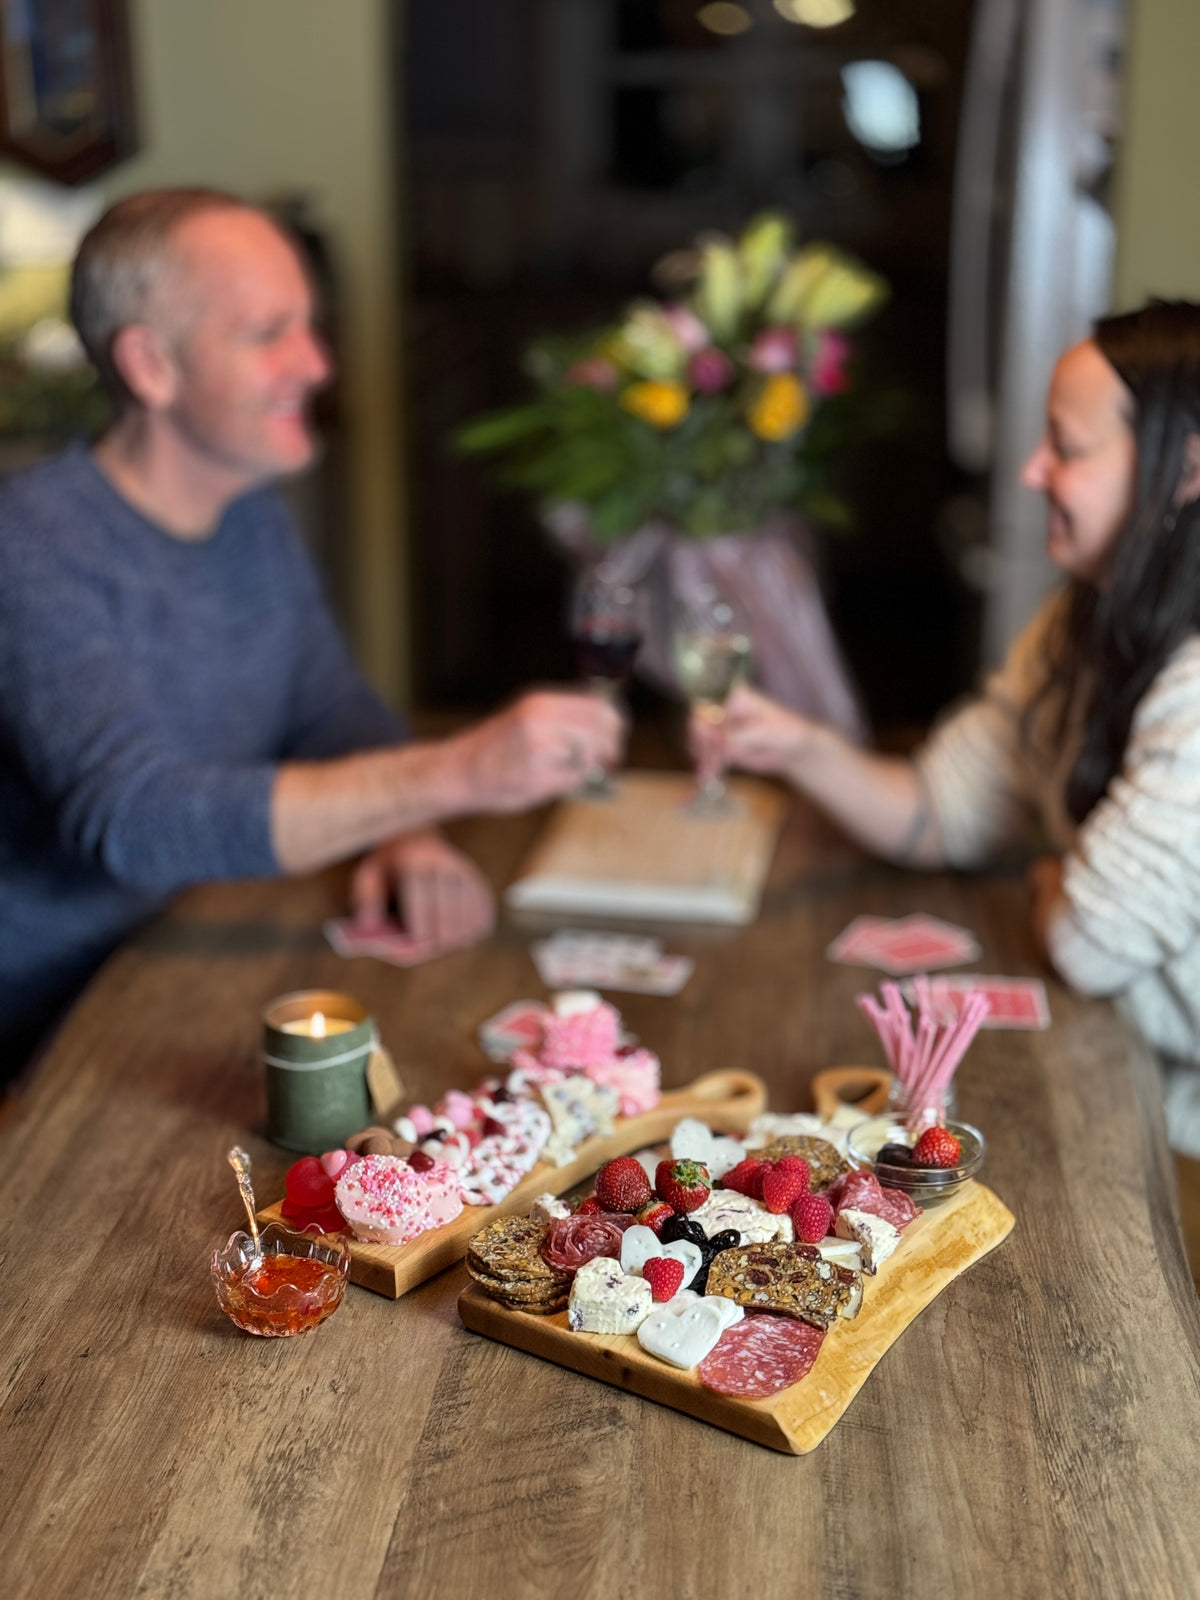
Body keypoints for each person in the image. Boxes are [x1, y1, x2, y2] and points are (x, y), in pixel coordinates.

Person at [0, 188, 621, 1075]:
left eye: (310, 325)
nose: (319, 364)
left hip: (211, 952)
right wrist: (453, 774)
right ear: (151, 366)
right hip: (51, 1033)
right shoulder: (28, 542)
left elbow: (332, 711)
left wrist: (406, 827)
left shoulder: (247, 511)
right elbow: (134, 821)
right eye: (268, 333)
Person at [693, 301, 1200, 1151]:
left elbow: (1085, 945)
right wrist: (799, 745)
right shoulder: (1084, 616)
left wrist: (1050, 877)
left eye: (1066, 448)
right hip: (1122, 1069)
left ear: (1185, 470)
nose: (1033, 472)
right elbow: (939, 810)